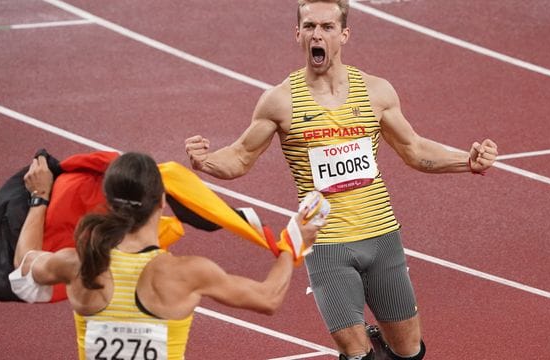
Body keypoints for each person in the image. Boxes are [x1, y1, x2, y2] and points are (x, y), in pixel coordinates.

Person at [184, 1, 498, 359]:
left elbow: (414, 149)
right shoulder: (279, 101)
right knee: (354, 351)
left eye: (328, 27)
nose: (317, 34)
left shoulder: (377, 92)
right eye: (310, 26)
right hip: (327, 242)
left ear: (344, 34)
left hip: (380, 236)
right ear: (298, 34)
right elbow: (240, 156)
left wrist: (467, 161)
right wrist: (206, 161)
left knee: (409, 351)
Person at [9, 152, 323, 359]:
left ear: (107, 201)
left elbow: (23, 263)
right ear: (162, 201)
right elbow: (268, 298)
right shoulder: (185, 273)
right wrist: (294, 242)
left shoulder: (79, 263)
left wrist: (40, 198)